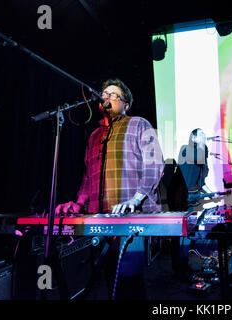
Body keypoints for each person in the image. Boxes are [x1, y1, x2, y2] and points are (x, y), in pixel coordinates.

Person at [55, 78, 165, 299]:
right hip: (101, 221)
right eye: (104, 93)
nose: (106, 97)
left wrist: (135, 199)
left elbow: (155, 164)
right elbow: (88, 178)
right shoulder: (95, 136)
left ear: (126, 104)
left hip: (132, 220)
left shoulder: (139, 124)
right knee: (108, 282)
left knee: (129, 284)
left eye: (114, 94)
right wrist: (77, 204)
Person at [177, 128, 212, 209]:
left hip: (194, 196)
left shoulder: (200, 161)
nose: (203, 136)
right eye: (201, 135)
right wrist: (202, 145)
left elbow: (201, 183)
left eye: (204, 135)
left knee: (194, 219)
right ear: (193, 138)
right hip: (183, 196)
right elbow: (198, 158)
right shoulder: (185, 149)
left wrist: (211, 193)